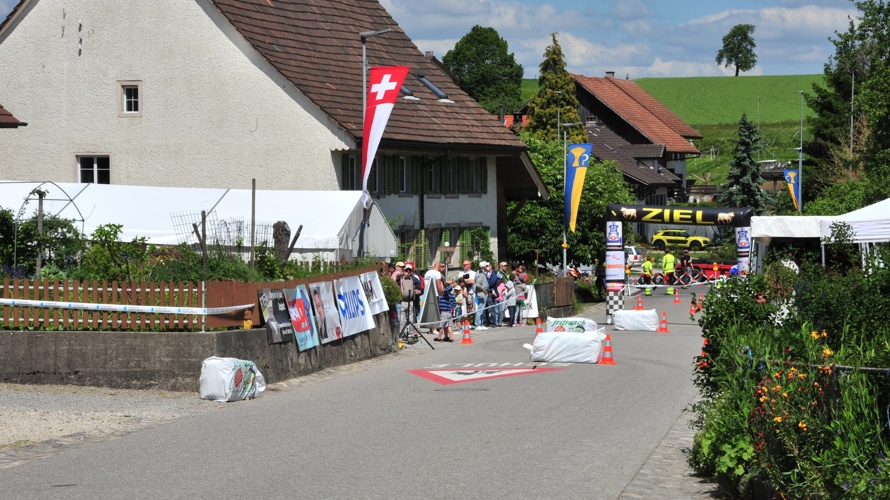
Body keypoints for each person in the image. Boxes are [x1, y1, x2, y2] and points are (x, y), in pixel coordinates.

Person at [474, 261, 491, 330]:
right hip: (482, 293)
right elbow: (477, 284)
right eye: (486, 266)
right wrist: (483, 289)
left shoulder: (482, 273)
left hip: (484, 292)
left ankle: (481, 323)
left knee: (482, 309)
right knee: (480, 309)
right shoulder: (480, 274)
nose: (487, 267)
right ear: (484, 267)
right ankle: (477, 324)